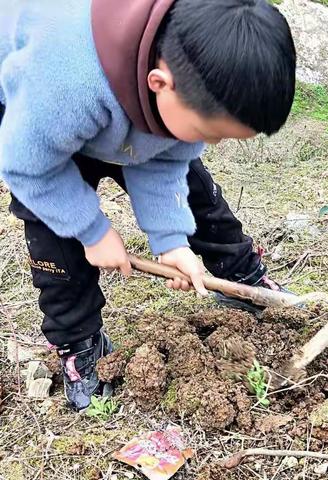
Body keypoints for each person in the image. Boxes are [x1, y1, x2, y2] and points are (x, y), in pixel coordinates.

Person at [0, 0, 296, 410]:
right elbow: (26, 166)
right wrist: (92, 230)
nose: (210, 144)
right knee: (55, 235)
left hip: (117, 101)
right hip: (38, 129)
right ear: (159, 83)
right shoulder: (66, 81)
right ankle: (77, 340)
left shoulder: (183, 66)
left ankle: (244, 282)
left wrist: (171, 240)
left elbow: (166, 156)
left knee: (193, 187)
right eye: (209, 132)